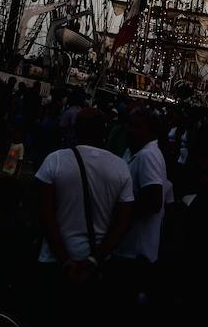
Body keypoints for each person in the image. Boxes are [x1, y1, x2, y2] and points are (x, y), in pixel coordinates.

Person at [35, 107, 134, 313]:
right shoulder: (120, 167)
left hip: (55, 260)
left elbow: (43, 213)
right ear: (104, 131)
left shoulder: (55, 160)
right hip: (97, 265)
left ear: (76, 130)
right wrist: (93, 260)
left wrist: (64, 259)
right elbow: (123, 222)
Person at [117, 106, 170, 315]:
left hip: (137, 252)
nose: (130, 130)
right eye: (129, 124)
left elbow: (154, 200)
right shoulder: (135, 151)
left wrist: (122, 214)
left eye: (137, 126)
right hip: (129, 246)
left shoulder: (148, 156)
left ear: (151, 131)